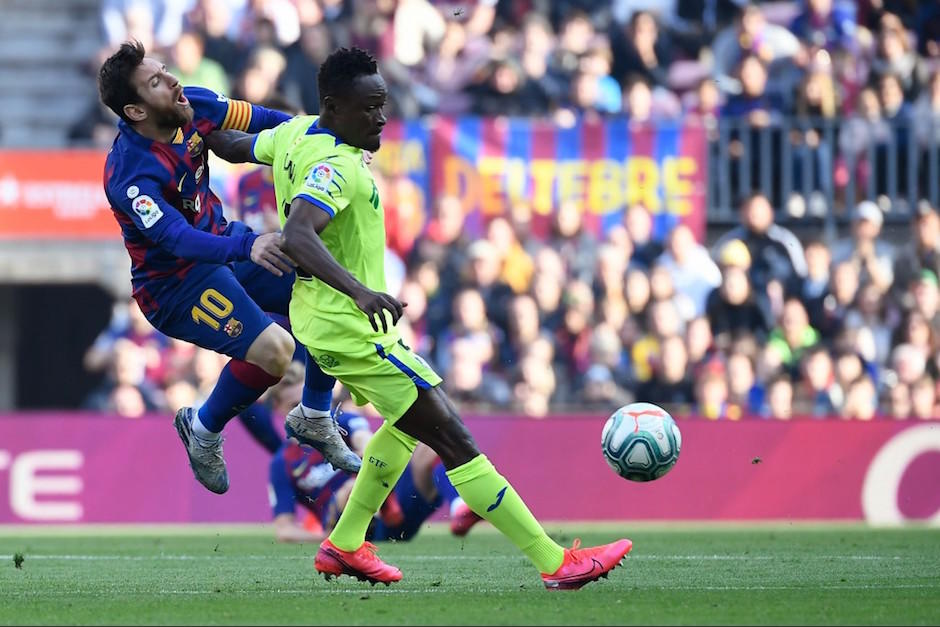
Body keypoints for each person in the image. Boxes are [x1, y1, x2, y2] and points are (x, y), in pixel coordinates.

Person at [208, 46, 632, 590]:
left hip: (321, 322)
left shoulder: (293, 133)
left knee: (404, 431)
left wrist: (189, 128)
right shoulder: (335, 166)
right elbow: (296, 233)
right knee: (454, 438)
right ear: (335, 108)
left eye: (383, 105)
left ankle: (345, 542)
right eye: (369, 108)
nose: (381, 117)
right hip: (351, 328)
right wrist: (361, 291)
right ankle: (556, 563)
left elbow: (235, 144)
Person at [97, 40, 361, 496]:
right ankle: (202, 428)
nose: (173, 81)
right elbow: (176, 239)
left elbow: (270, 123)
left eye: (165, 70)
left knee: (330, 293)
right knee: (278, 352)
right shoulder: (129, 175)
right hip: (176, 285)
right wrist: (247, 244)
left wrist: (333, 139)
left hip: (225, 244)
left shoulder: (194, 103)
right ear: (136, 111)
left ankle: (315, 413)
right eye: (156, 82)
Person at [266, 364, 482, 544]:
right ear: (278, 408)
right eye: (295, 407)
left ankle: (459, 508)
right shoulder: (282, 463)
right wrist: (325, 539)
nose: (306, 413)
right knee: (349, 489)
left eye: (307, 404)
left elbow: (364, 437)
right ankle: (375, 509)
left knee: (432, 441)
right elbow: (284, 530)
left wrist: (367, 452)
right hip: (348, 523)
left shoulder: (341, 422)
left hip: (395, 501)